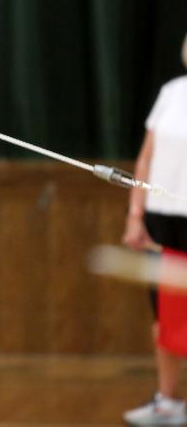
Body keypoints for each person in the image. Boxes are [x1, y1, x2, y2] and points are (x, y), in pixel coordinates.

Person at [122, 34, 187, 427]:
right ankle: (168, 402)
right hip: (164, 219)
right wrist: (135, 215)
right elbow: (146, 158)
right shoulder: (170, 92)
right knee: (165, 316)